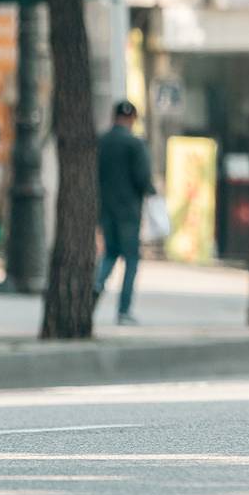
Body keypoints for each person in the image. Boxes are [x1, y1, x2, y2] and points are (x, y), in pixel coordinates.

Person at [96, 99, 154, 326]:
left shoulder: (102, 141)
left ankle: (95, 287)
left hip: (106, 208)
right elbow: (143, 178)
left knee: (110, 253)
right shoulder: (135, 144)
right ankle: (124, 310)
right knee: (131, 259)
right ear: (132, 119)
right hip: (129, 210)